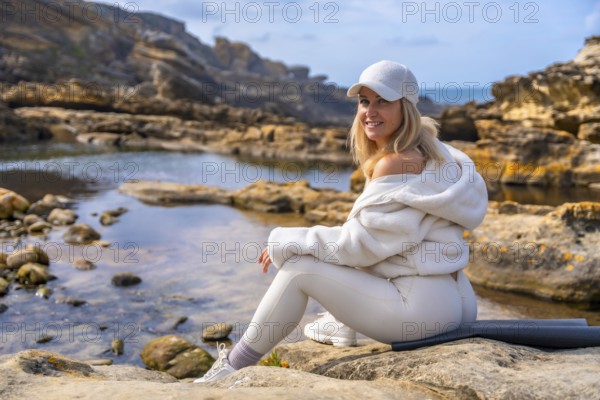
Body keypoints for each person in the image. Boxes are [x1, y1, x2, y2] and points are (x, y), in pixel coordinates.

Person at [194, 60, 488, 383]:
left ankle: (229, 369)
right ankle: (342, 323)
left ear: (406, 108)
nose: (370, 112)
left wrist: (285, 240)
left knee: (298, 270)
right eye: (364, 101)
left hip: (422, 311)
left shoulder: (394, 162)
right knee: (339, 254)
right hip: (459, 300)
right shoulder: (435, 152)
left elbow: (356, 247)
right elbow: (386, 241)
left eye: (383, 101)